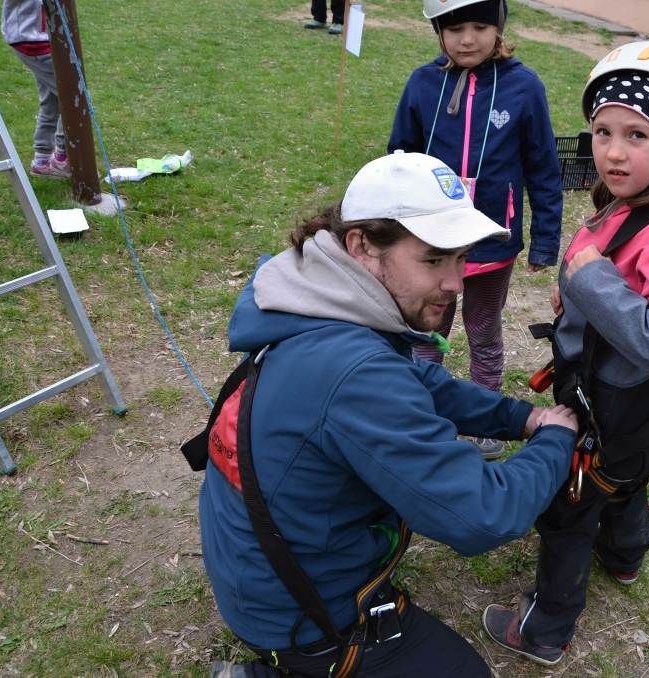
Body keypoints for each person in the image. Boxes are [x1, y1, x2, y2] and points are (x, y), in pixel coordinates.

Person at [196, 152, 578, 677]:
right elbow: (482, 514)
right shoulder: (355, 372)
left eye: (461, 258)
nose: (456, 283)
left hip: (255, 561)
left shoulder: (312, 294)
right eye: (434, 260)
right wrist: (554, 440)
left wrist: (520, 418)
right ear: (363, 246)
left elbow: (417, 383)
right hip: (295, 611)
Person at [480, 41, 649, 666]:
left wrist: (591, 282)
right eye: (602, 132)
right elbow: (623, 280)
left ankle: (545, 630)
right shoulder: (644, 199)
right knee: (624, 480)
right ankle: (624, 556)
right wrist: (580, 292)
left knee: (570, 508)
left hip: (609, 408)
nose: (613, 152)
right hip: (638, 414)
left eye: (636, 135)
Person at [387, 0, 563, 459]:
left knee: (483, 329)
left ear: (498, 27)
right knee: (427, 331)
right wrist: (392, 227)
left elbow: (543, 167)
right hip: (431, 242)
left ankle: (487, 420)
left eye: (480, 27)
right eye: (455, 28)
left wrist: (545, 239)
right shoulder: (422, 83)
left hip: (491, 240)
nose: (467, 39)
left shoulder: (524, 86)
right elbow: (398, 158)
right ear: (439, 33)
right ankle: (423, 413)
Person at [0, 0, 70, 179]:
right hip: (32, 39)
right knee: (74, 97)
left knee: (52, 100)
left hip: (42, 38)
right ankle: (62, 158)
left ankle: (42, 160)